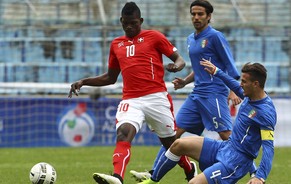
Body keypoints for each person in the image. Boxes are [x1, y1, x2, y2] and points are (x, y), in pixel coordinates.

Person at [68, 2, 195, 184]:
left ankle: (189, 168)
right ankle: (117, 177)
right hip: (131, 99)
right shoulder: (116, 44)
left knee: (171, 144)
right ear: (121, 21)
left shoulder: (154, 37)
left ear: (141, 21)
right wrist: (84, 81)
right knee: (123, 133)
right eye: (126, 23)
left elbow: (180, 59)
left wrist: (177, 67)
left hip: (156, 98)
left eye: (133, 23)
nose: (129, 26)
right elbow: (111, 78)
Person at [130, 0, 243, 181]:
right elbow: (199, 68)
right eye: (193, 14)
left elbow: (229, 64)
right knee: (172, 136)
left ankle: (251, 169)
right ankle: (153, 174)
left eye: (200, 14)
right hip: (197, 94)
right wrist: (185, 81)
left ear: (209, 17)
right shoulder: (191, 39)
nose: (196, 17)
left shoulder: (215, 37)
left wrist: (233, 90)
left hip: (214, 93)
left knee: (226, 135)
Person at [139, 59, 277, 184]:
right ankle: (152, 181)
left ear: (256, 84)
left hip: (236, 162)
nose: (241, 85)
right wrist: (216, 71)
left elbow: (268, 148)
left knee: (194, 183)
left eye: (244, 82)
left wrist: (260, 176)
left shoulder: (265, 112)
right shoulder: (249, 95)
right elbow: (234, 85)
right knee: (178, 144)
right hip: (225, 147)